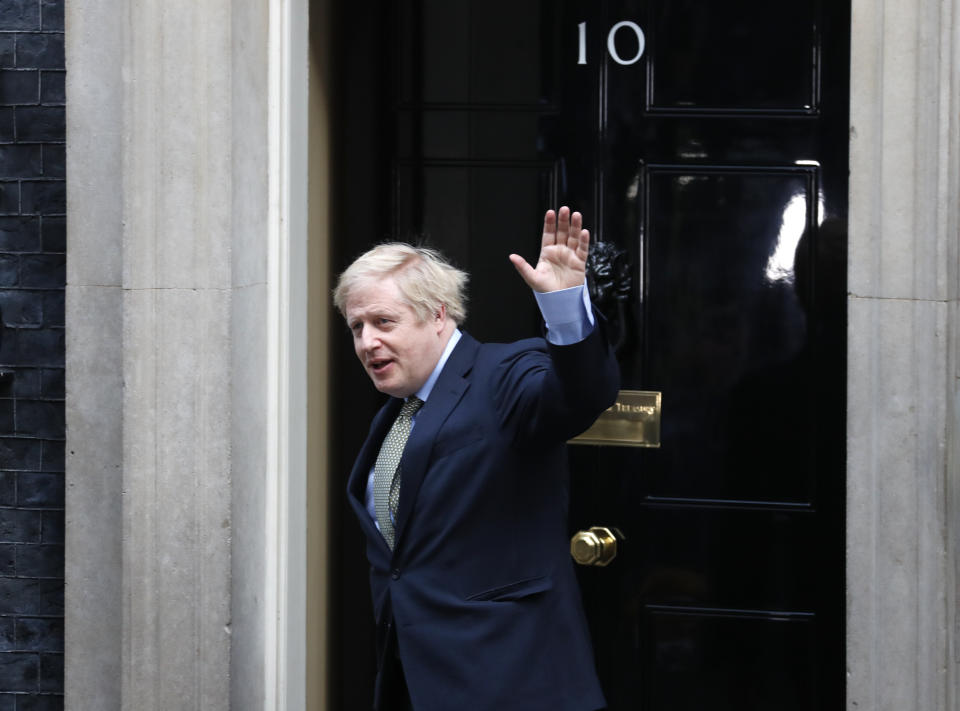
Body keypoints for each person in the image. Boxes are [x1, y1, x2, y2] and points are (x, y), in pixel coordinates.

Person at [333, 207, 620, 711]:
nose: (367, 341)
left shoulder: (503, 374)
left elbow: (581, 394)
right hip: (416, 680)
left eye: (383, 322)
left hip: (512, 682)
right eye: (357, 327)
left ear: (439, 313)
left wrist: (564, 305)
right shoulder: (393, 417)